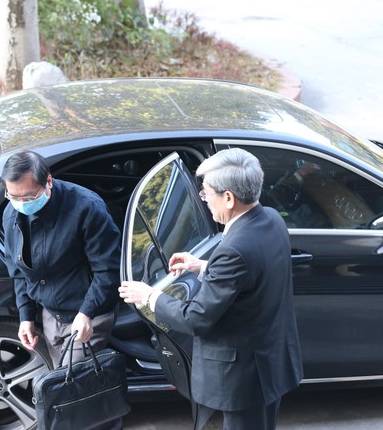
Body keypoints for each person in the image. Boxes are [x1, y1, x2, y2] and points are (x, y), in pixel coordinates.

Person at [119, 148, 303, 430]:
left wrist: (149, 296)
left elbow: (196, 318)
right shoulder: (271, 219)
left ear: (228, 197)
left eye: (206, 194)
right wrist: (202, 266)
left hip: (246, 375)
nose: (204, 200)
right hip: (271, 359)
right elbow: (254, 275)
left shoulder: (233, 250)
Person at [0, 150, 121, 366]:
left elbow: (108, 270)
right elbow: (18, 271)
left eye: (28, 197)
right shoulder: (11, 214)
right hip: (51, 315)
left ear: (48, 181)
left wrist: (87, 313)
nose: (21, 203)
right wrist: (25, 316)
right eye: (13, 196)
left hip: (87, 311)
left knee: (72, 389)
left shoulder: (86, 208)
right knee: (62, 383)